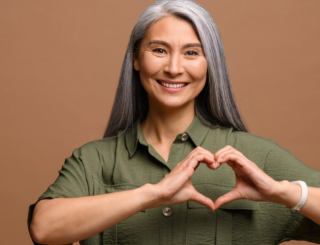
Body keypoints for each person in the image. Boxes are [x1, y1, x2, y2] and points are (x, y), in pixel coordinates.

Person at [28, 0, 320, 244]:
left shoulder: (255, 157)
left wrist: (285, 193)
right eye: (159, 50)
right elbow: (43, 228)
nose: (174, 68)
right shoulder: (94, 160)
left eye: (192, 53)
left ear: (210, 64)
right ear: (136, 59)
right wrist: (152, 194)